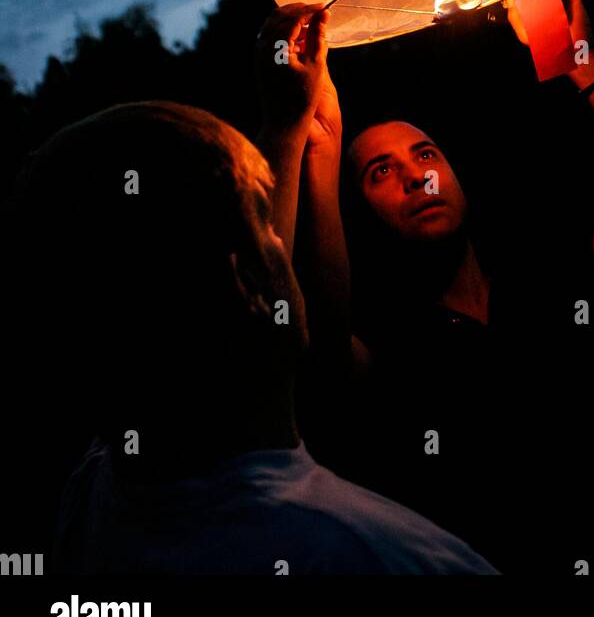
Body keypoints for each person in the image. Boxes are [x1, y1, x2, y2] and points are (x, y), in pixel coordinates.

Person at [256, 0, 594, 573]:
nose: (417, 176)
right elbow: (315, 347)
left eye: (426, 154)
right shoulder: (387, 346)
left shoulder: (543, 273)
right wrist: (318, 147)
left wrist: (581, 59)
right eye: (380, 172)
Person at [13, 96, 496, 575]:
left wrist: (289, 130)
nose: (282, 246)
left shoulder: (95, 491)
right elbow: (328, 347)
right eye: (266, 224)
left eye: (426, 154)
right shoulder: (378, 556)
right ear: (247, 278)